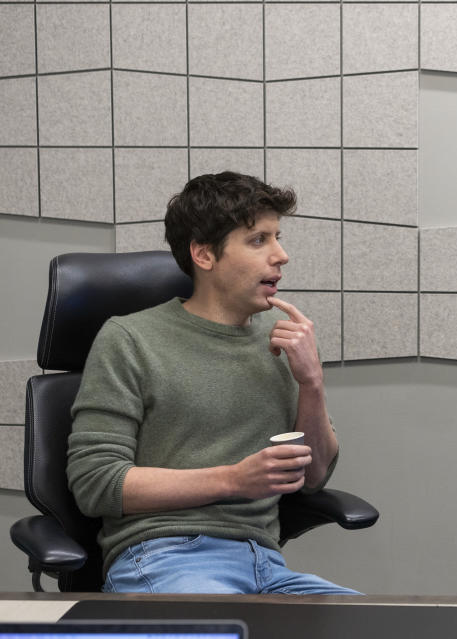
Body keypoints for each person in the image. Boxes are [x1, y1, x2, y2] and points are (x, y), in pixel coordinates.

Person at [66, 171, 359, 595]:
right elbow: (96, 484)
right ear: (204, 255)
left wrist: (312, 382)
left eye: (278, 237)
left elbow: (314, 476)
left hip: (265, 565)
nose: (281, 255)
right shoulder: (130, 339)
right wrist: (234, 480)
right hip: (162, 556)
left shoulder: (281, 335)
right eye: (259, 240)